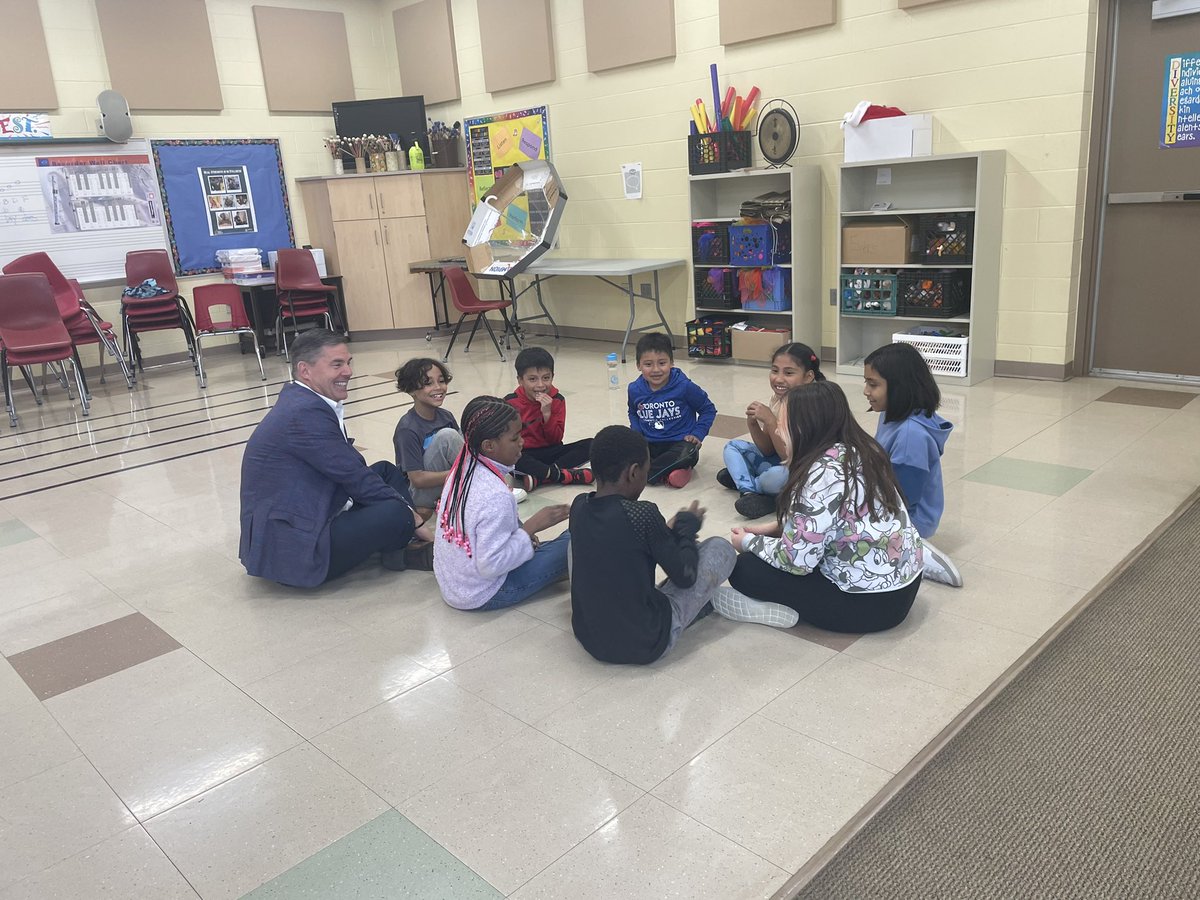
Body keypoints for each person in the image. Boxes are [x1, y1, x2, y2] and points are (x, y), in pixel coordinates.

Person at [570, 426, 796, 665]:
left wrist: (664, 533)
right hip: (647, 642)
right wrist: (686, 533)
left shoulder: (579, 505)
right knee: (720, 548)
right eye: (647, 471)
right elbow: (685, 576)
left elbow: (619, 543)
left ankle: (696, 601)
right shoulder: (642, 514)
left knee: (574, 542)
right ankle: (709, 601)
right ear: (634, 473)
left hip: (589, 637)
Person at [723, 381, 923, 633]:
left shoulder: (819, 474)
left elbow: (797, 560)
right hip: (905, 590)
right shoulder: (864, 451)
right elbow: (835, 519)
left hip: (865, 607)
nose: (777, 431)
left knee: (744, 568)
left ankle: (776, 609)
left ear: (802, 427)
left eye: (780, 424)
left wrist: (748, 543)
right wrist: (773, 528)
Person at [239, 329, 433, 588]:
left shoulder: (305, 399)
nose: (348, 371)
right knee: (396, 511)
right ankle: (402, 546)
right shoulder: (303, 414)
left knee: (386, 472)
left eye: (348, 362)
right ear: (305, 371)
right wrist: (413, 517)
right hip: (295, 547)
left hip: (307, 505)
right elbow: (354, 476)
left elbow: (352, 468)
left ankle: (397, 544)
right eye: (337, 364)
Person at [434, 396, 571, 611]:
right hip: (484, 592)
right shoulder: (495, 495)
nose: (522, 442)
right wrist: (530, 527)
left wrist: (519, 532)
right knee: (575, 538)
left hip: (455, 582)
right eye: (515, 438)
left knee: (550, 549)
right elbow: (490, 566)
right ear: (488, 445)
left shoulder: (462, 465)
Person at [863, 342, 962, 587]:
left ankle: (918, 552)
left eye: (873, 384)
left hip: (910, 517)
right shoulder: (893, 413)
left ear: (899, 388)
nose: (866, 391)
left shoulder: (911, 436)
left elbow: (903, 499)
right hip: (891, 500)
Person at [718, 342, 825, 520]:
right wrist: (753, 425)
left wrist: (770, 420)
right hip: (779, 459)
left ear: (808, 377)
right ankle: (749, 492)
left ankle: (749, 483)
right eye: (775, 371)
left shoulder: (810, 406)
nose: (779, 378)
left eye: (789, 373)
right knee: (732, 446)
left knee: (778, 476)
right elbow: (767, 450)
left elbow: (789, 457)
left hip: (800, 468)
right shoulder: (778, 399)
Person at [627, 332, 717, 488]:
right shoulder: (634, 389)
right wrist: (636, 432)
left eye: (662, 363)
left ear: (671, 362)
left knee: (688, 452)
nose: (656, 370)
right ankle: (668, 474)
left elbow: (708, 409)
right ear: (638, 365)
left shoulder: (684, 386)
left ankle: (646, 475)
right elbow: (633, 412)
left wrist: (697, 434)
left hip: (679, 445)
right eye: (648, 364)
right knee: (622, 446)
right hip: (649, 445)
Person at [504, 346, 595, 491]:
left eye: (546, 378)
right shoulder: (510, 403)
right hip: (525, 454)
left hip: (552, 451)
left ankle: (541, 478)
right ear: (520, 380)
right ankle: (560, 475)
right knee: (510, 458)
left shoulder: (557, 400)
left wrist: (547, 414)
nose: (540, 385)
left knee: (592, 445)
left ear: (553, 376)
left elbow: (555, 439)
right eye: (532, 379)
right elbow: (507, 442)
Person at [393, 357, 465, 514]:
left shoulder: (446, 416)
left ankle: (472, 484)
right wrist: (461, 472)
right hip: (417, 492)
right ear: (412, 390)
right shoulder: (407, 429)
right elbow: (417, 479)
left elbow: (461, 450)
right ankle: (477, 481)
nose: (438, 387)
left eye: (441, 381)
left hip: (445, 480)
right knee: (447, 436)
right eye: (428, 383)